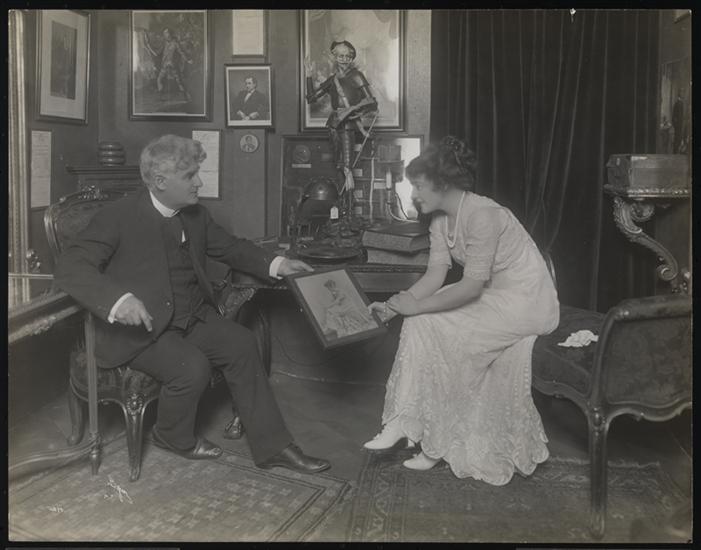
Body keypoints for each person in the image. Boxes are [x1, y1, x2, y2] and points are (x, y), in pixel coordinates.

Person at [55, 134, 330, 475]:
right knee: (192, 367)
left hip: (191, 318)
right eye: (190, 176)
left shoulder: (196, 215)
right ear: (160, 181)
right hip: (142, 332)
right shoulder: (118, 216)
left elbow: (230, 248)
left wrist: (278, 264)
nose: (199, 182)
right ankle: (172, 436)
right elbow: (70, 267)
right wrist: (118, 300)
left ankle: (274, 447)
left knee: (242, 343)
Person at [363, 136, 560, 485]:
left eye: (419, 186)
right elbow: (435, 276)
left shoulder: (484, 215)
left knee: (439, 331)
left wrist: (416, 306)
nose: (414, 194)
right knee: (419, 323)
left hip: (526, 300)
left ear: (442, 183)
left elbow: (470, 287)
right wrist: (394, 307)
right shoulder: (440, 220)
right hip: (493, 295)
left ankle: (431, 442)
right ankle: (408, 426)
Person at [304, 40, 378, 172]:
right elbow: (311, 98)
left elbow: (371, 102)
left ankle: (348, 185)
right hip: (333, 125)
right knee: (338, 165)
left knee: (347, 167)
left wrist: (353, 111)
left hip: (348, 125)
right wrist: (309, 75)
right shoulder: (332, 80)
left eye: (348, 57)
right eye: (341, 56)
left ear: (351, 58)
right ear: (335, 57)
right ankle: (342, 185)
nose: (344, 60)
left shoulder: (357, 75)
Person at [143, 27, 193, 101]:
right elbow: (157, 53)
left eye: (166, 33)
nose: (164, 34)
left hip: (173, 65)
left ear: (170, 34)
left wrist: (188, 60)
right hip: (165, 66)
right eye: (164, 33)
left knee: (179, 82)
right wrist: (148, 45)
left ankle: (187, 96)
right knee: (159, 80)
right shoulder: (165, 43)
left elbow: (181, 52)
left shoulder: (175, 43)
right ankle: (161, 97)